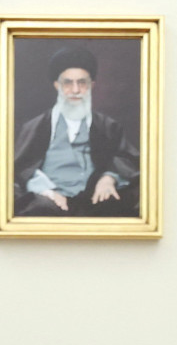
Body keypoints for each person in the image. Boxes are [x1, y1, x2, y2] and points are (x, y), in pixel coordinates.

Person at [12, 46, 141, 217]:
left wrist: (109, 178)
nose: (75, 90)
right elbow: (20, 168)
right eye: (68, 83)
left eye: (82, 83)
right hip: (49, 199)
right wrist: (45, 190)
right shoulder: (36, 126)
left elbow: (126, 159)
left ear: (92, 85)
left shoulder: (107, 126)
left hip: (94, 198)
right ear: (57, 85)